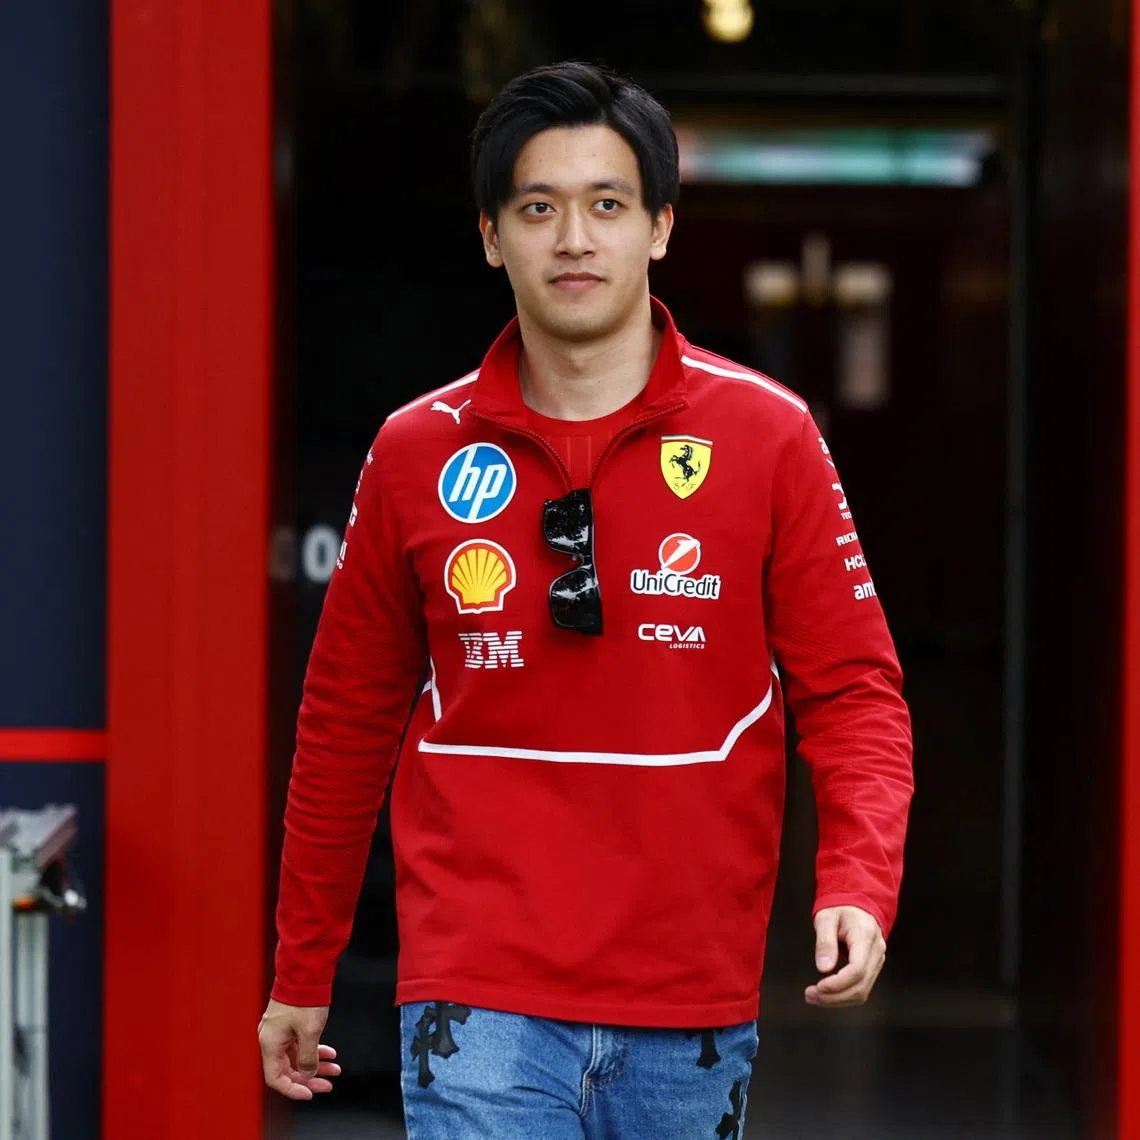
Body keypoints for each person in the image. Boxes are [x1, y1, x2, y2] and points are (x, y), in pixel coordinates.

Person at [258, 60, 914, 1138]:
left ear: (659, 227)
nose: (573, 238)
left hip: (689, 993)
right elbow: (343, 726)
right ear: (489, 235)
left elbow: (855, 692)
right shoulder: (417, 451)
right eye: (539, 207)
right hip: (478, 994)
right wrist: (301, 965)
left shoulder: (768, 438)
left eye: (606, 205)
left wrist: (856, 875)